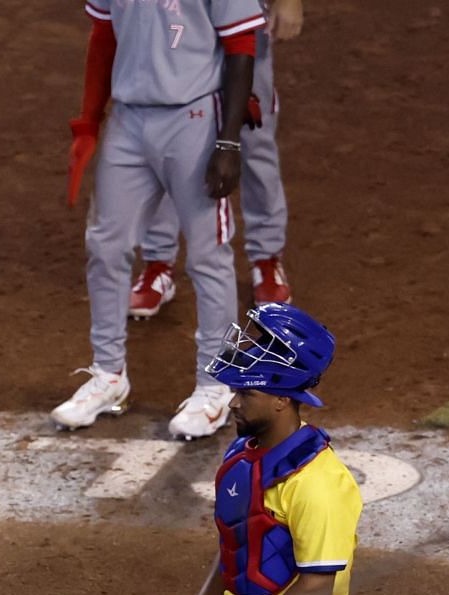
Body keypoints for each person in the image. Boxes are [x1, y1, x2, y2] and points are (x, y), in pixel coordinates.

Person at [122, 304, 369, 595]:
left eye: (246, 393)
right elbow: (233, 550)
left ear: (281, 399)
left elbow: (317, 588)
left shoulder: (318, 483)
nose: (233, 403)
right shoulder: (243, 457)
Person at [56, 0, 264, 440]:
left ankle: (217, 384)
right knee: (106, 245)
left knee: (208, 254)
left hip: (194, 118)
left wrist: (228, 143)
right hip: (129, 122)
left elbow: (241, 45)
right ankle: (109, 374)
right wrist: (90, 121)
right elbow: (103, 38)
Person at [128, 0, 304, 321]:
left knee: (254, 139)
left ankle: (265, 258)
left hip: (245, 17)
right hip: (175, 19)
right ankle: (158, 261)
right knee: (167, 133)